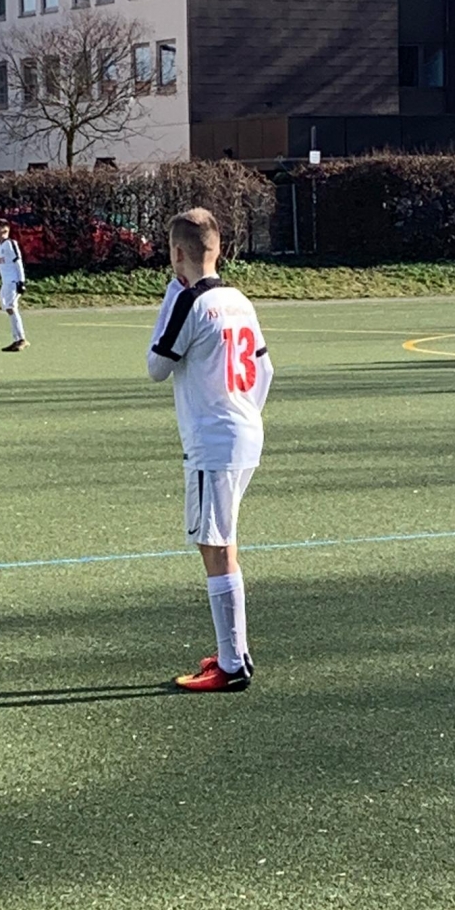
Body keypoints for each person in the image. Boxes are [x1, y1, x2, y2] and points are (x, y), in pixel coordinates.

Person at [147, 208, 273, 692]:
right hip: (246, 431)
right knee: (223, 541)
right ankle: (233, 649)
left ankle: (232, 664)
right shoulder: (239, 299)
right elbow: (265, 371)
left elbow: (156, 367)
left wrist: (171, 295)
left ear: (177, 253)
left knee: (214, 546)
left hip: (213, 440)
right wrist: (244, 413)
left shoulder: (189, 300)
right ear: (219, 250)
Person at [0, 219, 29, 352]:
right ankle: (16, 339)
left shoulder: (10, 243)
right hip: (6, 283)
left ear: (5, 230)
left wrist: (21, 282)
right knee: (8, 309)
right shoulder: (0, 246)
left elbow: (18, 262)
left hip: (13, 282)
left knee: (12, 308)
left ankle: (22, 339)